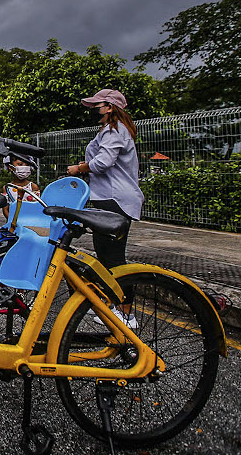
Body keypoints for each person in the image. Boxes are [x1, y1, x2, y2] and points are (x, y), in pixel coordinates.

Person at [67, 88, 144, 325]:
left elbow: (103, 162)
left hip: (115, 199)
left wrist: (80, 169)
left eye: (96, 105)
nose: (93, 110)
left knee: (114, 259)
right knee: (105, 256)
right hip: (109, 197)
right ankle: (114, 306)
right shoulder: (113, 130)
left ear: (110, 107)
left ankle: (126, 314)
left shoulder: (114, 129)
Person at [1, 155, 41, 220]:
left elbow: (36, 208)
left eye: (27, 164)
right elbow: (5, 209)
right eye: (20, 164)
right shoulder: (7, 188)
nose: (24, 167)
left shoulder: (33, 187)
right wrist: (12, 222)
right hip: (13, 225)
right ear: (10, 167)